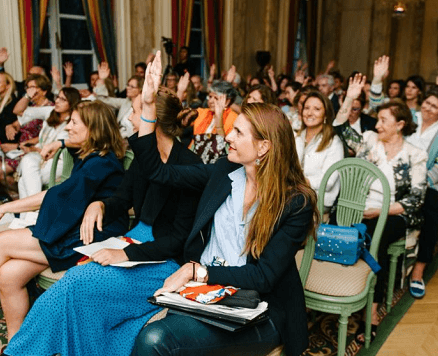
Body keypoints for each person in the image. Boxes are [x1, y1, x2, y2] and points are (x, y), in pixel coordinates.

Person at [129, 52, 317, 356]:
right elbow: (157, 171)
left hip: (256, 309)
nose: (227, 135)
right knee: (149, 335)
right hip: (205, 294)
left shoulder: (295, 202)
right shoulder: (223, 172)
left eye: (238, 132)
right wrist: (149, 106)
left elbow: (263, 277)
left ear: (263, 147)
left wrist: (197, 272)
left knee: (155, 339)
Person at [5, 84, 203, 356]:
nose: (129, 119)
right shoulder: (145, 160)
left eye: (134, 112)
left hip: (166, 260)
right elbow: (121, 198)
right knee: (76, 282)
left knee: (79, 283)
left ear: (152, 121)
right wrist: (100, 204)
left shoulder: (191, 167)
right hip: (134, 241)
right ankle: (22, 352)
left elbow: (178, 240)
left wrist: (125, 253)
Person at [0, 101, 126, 349]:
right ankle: (16, 346)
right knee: (8, 274)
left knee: (1, 241)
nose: (67, 128)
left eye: (73, 123)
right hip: (78, 226)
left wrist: (4, 207)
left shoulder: (100, 163)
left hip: (93, 237)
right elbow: (61, 192)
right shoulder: (94, 155)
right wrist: (59, 143)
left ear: (92, 129)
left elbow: (54, 197)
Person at [335, 75, 427, 342]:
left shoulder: (415, 155)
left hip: (394, 214)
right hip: (360, 210)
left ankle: (371, 313)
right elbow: (340, 127)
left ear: (400, 124)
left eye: (383, 121)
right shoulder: (369, 141)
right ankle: (351, 291)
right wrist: (351, 96)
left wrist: (381, 210)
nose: (377, 124)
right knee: (364, 233)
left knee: (375, 236)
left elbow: (416, 199)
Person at [406, 85, 438, 298]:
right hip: (396, 178)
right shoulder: (409, 117)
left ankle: (419, 269)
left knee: (432, 206)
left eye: (434, 106)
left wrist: (419, 181)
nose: (428, 108)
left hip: (431, 184)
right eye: (427, 102)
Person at [17, 87, 81, 199]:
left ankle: (32, 210)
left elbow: (56, 151)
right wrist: (27, 96)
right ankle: (32, 212)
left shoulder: (74, 121)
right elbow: (18, 111)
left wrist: (33, 149)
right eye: (58, 97)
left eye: (63, 99)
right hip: (41, 156)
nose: (57, 101)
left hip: (62, 160)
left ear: (71, 103)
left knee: (23, 181)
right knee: (27, 165)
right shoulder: (51, 111)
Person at [295, 90, 344, 212]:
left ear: (325, 114)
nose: (310, 113)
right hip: (294, 194)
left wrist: (302, 181)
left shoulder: (333, 142)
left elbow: (329, 181)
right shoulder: (297, 137)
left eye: (316, 109)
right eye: (306, 108)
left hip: (319, 200)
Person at [189, 80, 239, 164]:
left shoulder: (234, 119)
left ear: (227, 101)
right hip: (194, 158)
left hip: (217, 162)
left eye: (215, 98)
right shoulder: (203, 112)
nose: (210, 101)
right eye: (210, 97)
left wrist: (219, 116)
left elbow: (223, 147)